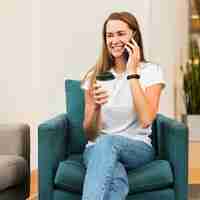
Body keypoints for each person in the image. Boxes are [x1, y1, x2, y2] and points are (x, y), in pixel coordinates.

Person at [81, 11, 165, 200]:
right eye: (109, 35)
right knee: (116, 179)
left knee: (109, 142)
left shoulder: (152, 71)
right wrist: (94, 108)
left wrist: (132, 73)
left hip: (137, 148)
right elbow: (90, 133)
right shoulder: (94, 77)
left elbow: (146, 119)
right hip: (96, 148)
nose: (114, 40)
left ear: (133, 35)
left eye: (121, 33)